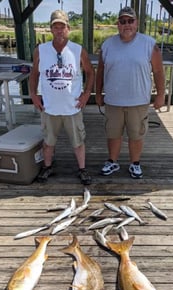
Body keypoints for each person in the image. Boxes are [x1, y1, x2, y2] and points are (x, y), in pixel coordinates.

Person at [95, 6, 165, 179]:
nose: (127, 24)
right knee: (113, 134)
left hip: (138, 101)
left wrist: (161, 95)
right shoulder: (107, 45)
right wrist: (98, 94)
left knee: (136, 134)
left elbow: (158, 71)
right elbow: (100, 71)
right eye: (123, 21)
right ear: (118, 24)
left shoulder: (149, 44)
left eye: (130, 21)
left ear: (137, 23)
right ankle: (112, 161)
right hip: (113, 101)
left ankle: (135, 164)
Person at [29, 9, 94, 185]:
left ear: (68, 28)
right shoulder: (40, 50)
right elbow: (34, 74)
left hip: (72, 107)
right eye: (55, 27)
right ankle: (47, 167)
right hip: (49, 107)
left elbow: (90, 72)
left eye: (62, 26)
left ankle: (82, 168)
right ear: (50, 29)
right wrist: (33, 94)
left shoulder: (78, 50)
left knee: (78, 141)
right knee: (48, 141)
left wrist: (87, 94)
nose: (59, 30)